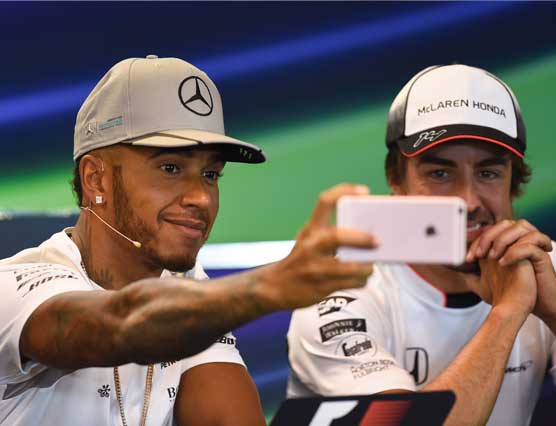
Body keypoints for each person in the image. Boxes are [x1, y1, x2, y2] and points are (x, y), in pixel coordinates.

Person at [0, 55, 377, 426]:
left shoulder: (186, 288)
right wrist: (271, 284)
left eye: (211, 174)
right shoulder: (16, 288)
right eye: (170, 168)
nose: (201, 197)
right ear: (96, 178)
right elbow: (120, 323)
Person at [287, 64, 556, 426]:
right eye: (440, 173)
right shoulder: (338, 284)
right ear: (396, 179)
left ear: (513, 183)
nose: (468, 201)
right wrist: (508, 311)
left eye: (488, 173)